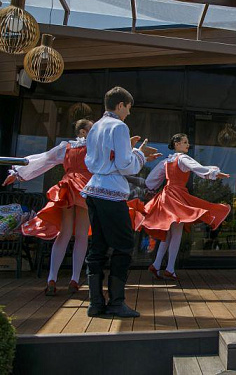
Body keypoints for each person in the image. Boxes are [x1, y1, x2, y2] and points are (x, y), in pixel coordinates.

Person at [81, 86, 160, 318]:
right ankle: (116, 303)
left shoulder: (95, 127)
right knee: (124, 245)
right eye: (128, 108)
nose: (129, 113)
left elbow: (91, 160)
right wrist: (140, 154)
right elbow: (127, 165)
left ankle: (95, 304)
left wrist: (131, 151)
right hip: (111, 192)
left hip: (94, 190)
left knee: (98, 246)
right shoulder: (119, 126)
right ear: (120, 105)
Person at [3, 119, 94, 295]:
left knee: (65, 233)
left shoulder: (66, 147)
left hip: (69, 187)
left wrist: (17, 173)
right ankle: (74, 279)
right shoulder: (94, 147)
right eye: (92, 128)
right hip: (85, 188)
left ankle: (52, 278)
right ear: (83, 132)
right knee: (82, 235)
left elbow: (44, 159)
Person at [141, 133, 230, 281]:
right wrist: (215, 173)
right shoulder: (182, 158)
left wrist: (151, 190)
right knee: (176, 233)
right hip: (177, 196)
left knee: (167, 234)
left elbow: (151, 181)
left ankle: (157, 265)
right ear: (176, 144)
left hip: (166, 196)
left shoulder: (166, 161)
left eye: (187, 142)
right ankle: (169, 269)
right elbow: (198, 168)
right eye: (185, 142)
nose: (188, 145)